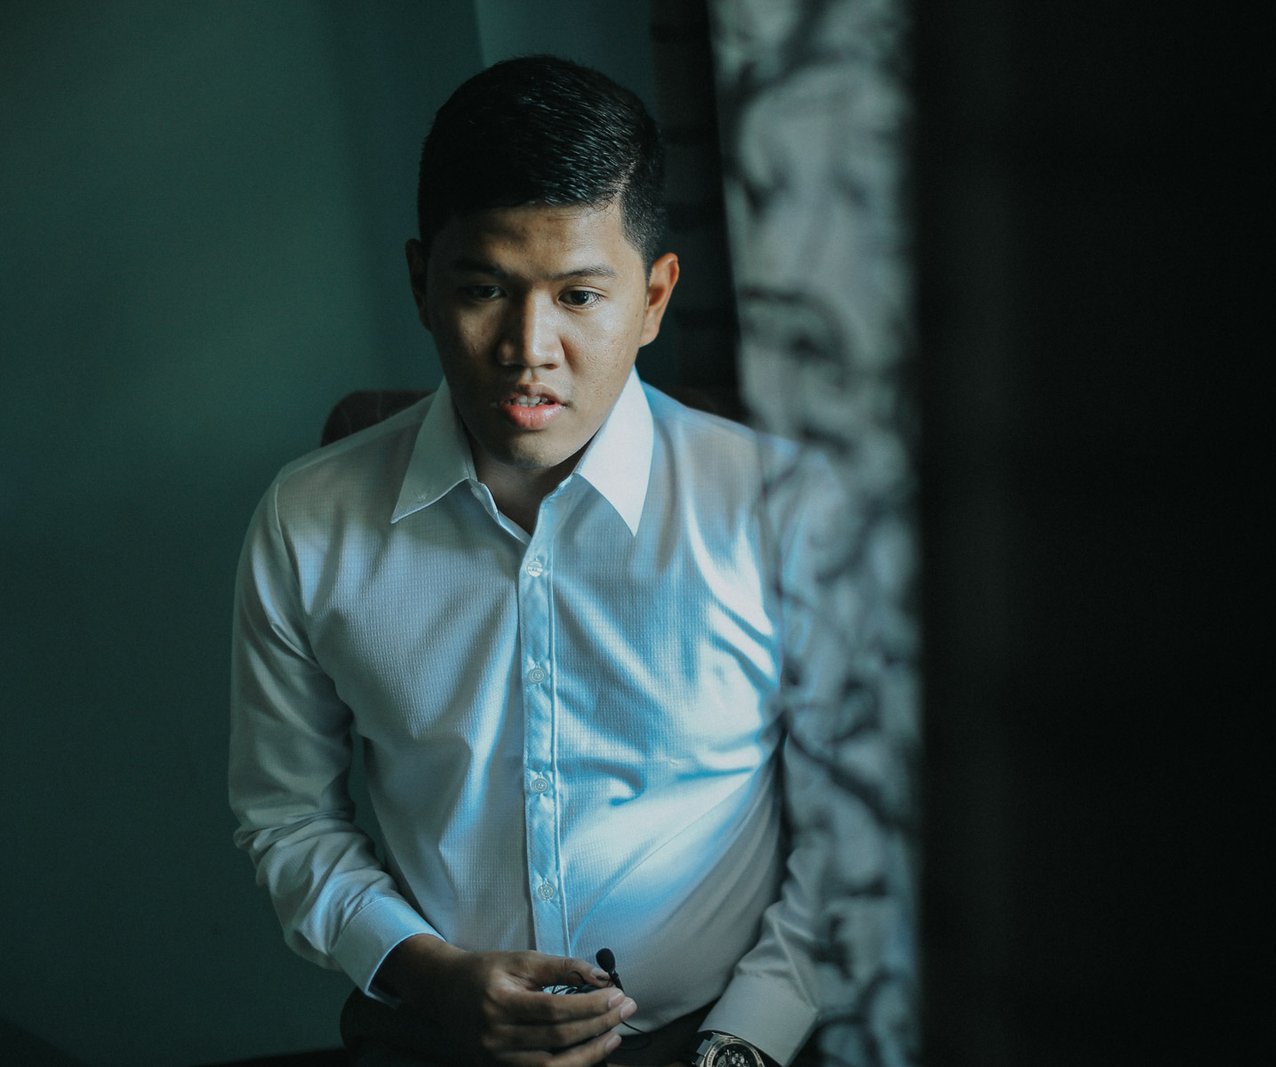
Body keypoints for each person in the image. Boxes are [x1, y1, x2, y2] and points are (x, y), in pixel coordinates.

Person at [229, 54, 838, 1067]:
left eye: (579, 295)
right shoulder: (307, 521)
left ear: (654, 298)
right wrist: (427, 972)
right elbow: (286, 814)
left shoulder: (785, 510)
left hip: (719, 1037)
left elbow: (857, 826)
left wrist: (744, 1041)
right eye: (483, 289)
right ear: (421, 284)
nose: (528, 345)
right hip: (428, 1027)